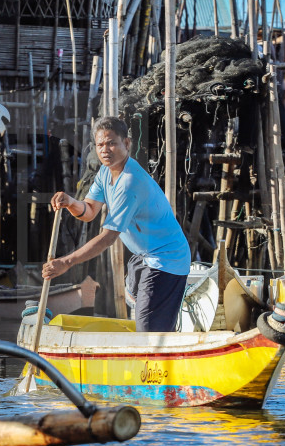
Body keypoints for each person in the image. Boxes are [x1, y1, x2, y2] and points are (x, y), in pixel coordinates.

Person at [43, 116, 191, 332]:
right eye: (100, 144)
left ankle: (154, 359)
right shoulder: (105, 171)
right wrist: (70, 202)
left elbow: (107, 239)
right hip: (144, 256)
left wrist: (66, 262)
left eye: (112, 143)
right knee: (145, 321)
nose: (105, 150)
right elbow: (89, 211)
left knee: (149, 329)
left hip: (166, 259)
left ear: (126, 144)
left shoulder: (130, 181)